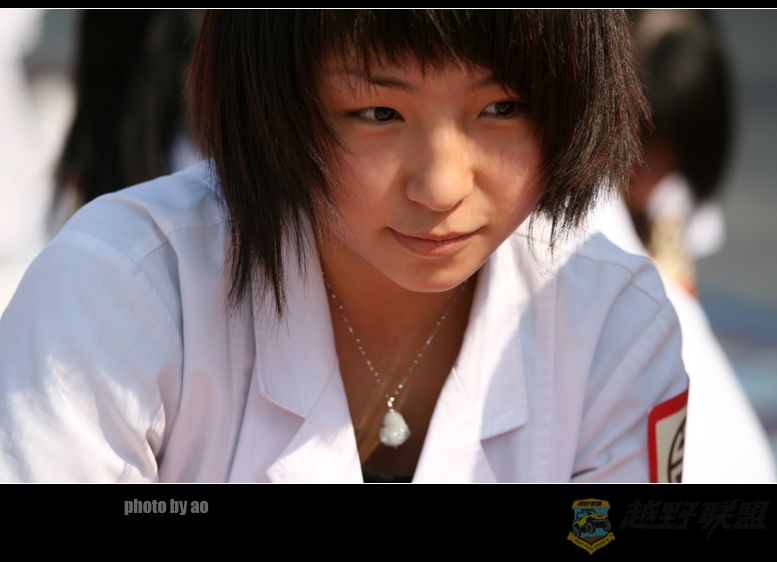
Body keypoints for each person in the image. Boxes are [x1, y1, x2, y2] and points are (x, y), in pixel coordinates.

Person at [0, 10, 689, 483]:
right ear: (274, 105)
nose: (441, 186)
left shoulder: (613, 329)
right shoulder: (121, 293)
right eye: (378, 113)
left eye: (501, 109)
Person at [590, 9, 776, 482]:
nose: (654, 183)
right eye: (643, 152)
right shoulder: (582, 205)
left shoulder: (676, 193)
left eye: (674, 161)